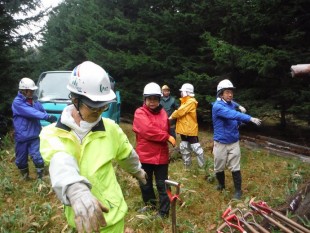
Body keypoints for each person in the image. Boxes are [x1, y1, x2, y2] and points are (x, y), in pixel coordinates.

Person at [39, 61, 147, 233]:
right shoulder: (51, 134)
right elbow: (60, 159)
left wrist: (138, 170)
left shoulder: (110, 128)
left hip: (114, 217)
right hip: (81, 219)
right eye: (93, 106)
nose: (99, 111)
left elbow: (126, 154)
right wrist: (75, 189)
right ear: (75, 99)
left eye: (103, 106)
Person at [212, 79, 262, 200]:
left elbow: (232, 104)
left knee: (235, 166)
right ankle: (221, 185)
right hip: (221, 142)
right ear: (221, 94)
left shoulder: (230, 103)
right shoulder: (217, 106)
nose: (230, 95)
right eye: (227, 92)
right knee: (219, 166)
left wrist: (239, 105)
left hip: (233, 141)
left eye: (231, 92)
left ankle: (238, 191)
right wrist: (249, 118)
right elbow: (232, 114)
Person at [133, 82, 176, 218]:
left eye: (155, 99)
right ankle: (150, 206)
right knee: (145, 183)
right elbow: (147, 130)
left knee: (162, 184)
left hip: (161, 155)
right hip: (145, 155)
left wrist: (168, 135)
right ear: (145, 99)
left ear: (159, 99)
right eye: (149, 99)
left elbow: (164, 129)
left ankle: (164, 212)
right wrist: (166, 136)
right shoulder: (140, 112)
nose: (152, 102)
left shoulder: (163, 113)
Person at [11, 77, 57, 180]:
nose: (32, 92)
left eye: (33, 90)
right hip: (22, 136)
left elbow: (41, 111)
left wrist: (50, 119)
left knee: (37, 156)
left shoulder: (35, 102)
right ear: (23, 90)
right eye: (30, 90)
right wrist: (46, 117)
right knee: (21, 159)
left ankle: (40, 177)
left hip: (35, 135)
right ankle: (25, 177)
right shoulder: (17, 103)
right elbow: (30, 112)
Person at [169, 83, 205, 170]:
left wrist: (171, 116)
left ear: (186, 92)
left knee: (197, 149)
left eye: (182, 91)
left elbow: (181, 111)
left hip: (190, 130)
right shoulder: (185, 102)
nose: (181, 93)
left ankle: (203, 167)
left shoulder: (191, 101)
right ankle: (187, 168)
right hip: (183, 130)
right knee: (184, 148)